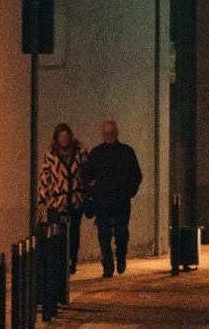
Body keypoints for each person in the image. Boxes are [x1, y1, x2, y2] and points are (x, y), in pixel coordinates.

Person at [84, 119, 142, 278]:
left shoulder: (126, 152)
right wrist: (92, 190)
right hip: (102, 202)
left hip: (121, 202)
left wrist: (128, 192)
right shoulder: (96, 153)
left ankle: (121, 255)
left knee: (121, 233)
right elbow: (87, 175)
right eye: (106, 133)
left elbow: (136, 175)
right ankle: (108, 264)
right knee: (103, 235)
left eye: (111, 133)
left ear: (116, 134)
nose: (108, 136)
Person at [36, 122, 88, 273]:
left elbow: (87, 171)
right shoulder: (51, 154)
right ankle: (60, 262)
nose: (64, 139)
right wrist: (42, 200)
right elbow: (45, 178)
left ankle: (72, 259)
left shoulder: (80, 150)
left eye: (66, 136)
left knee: (74, 234)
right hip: (58, 201)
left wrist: (87, 193)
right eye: (61, 136)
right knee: (58, 234)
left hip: (76, 200)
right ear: (56, 138)